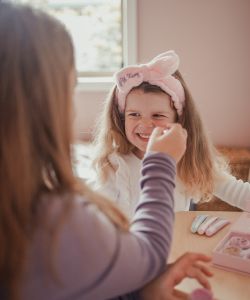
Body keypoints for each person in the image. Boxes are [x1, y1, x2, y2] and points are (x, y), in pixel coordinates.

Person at [0, 2, 213, 300]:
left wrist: (141, 293)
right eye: (69, 89)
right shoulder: (60, 218)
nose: (73, 111)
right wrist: (161, 162)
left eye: (157, 116)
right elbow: (146, 255)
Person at [87, 50, 250, 218]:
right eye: (134, 114)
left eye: (157, 115)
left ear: (178, 121)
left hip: (175, 244)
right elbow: (99, 219)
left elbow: (238, 193)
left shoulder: (188, 162)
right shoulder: (114, 165)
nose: (144, 124)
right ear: (122, 118)